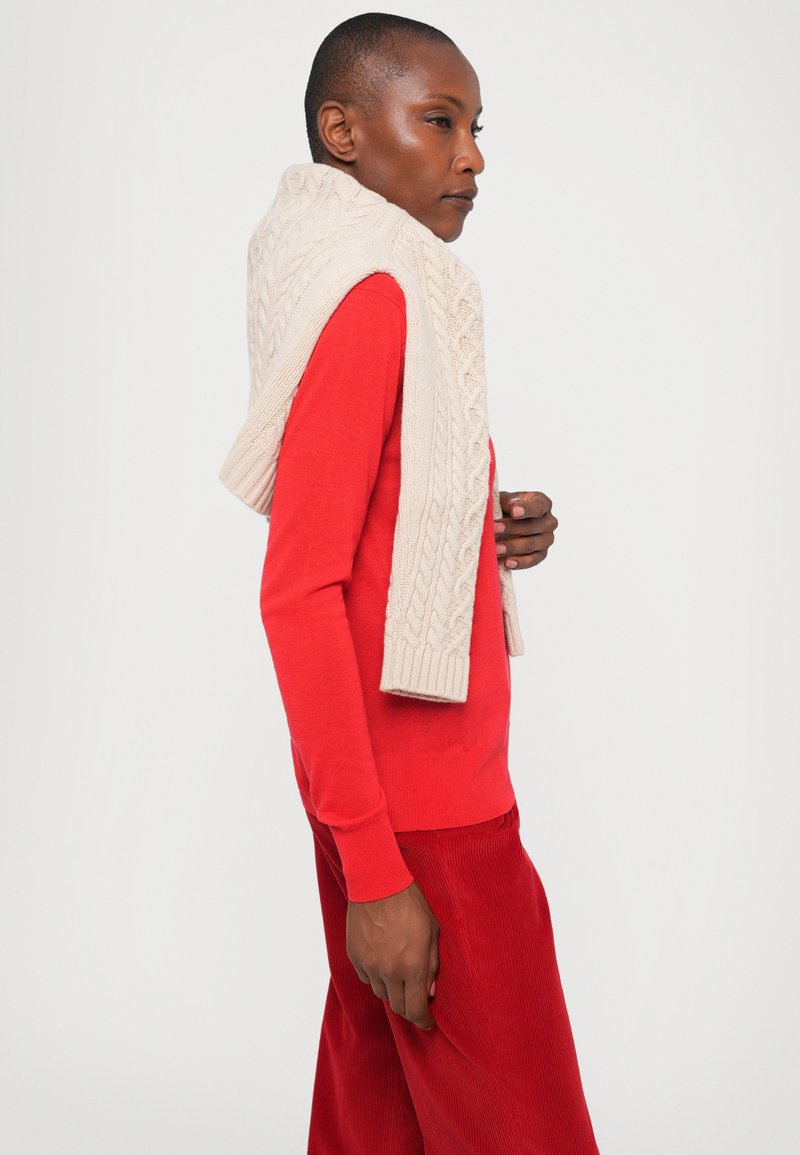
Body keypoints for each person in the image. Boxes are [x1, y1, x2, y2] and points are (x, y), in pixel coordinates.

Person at [219, 12, 601, 1153]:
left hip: (376, 805)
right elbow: (297, 592)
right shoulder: (376, 296)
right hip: (426, 819)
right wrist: (379, 874)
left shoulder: (347, 278)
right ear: (342, 132)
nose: (471, 156)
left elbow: (375, 521)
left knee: (374, 1123)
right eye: (438, 121)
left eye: (476, 128)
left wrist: (480, 526)